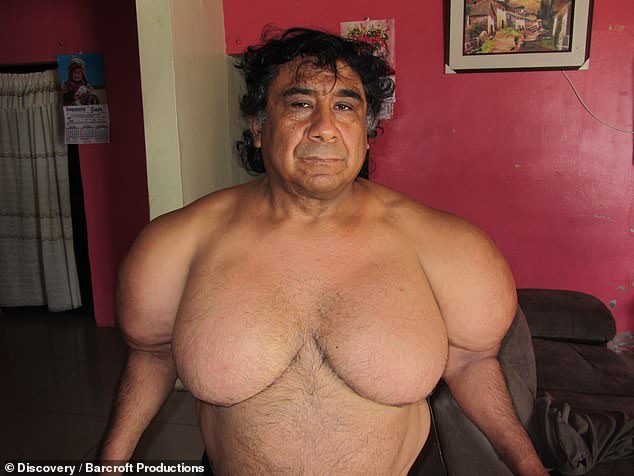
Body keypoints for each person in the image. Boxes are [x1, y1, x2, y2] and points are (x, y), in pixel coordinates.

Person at [99, 27, 547, 475]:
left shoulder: (450, 247)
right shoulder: (175, 245)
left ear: (367, 134)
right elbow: (152, 355)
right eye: (300, 104)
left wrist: (528, 466)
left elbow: (471, 361)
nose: (325, 128)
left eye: (345, 107)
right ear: (257, 127)